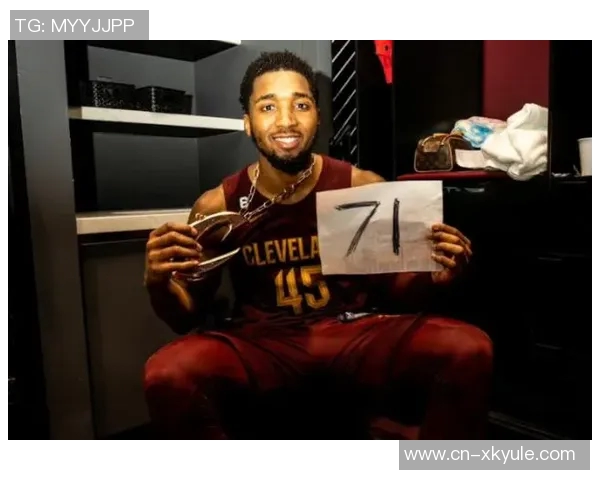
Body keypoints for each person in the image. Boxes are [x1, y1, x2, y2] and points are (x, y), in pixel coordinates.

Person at [142, 50, 493, 439]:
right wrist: (158, 282)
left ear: (318, 116)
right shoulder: (218, 204)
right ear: (248, 123)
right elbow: (185, 316)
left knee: (468, 347)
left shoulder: (360, 185)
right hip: (264, 344)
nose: (287, 120)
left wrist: (433, 276)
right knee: (167, 371)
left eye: (301, 104)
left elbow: (396, 291)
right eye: (268, 106)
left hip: (351, 334)